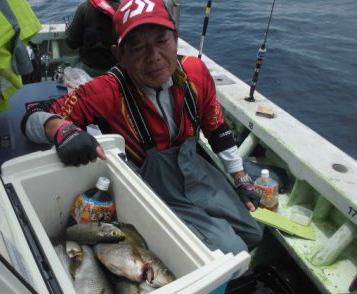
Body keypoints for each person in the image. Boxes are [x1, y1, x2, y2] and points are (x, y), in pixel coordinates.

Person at [22, 0, 263, 255]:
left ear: (175, 38)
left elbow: (217, 128)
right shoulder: (105, 91)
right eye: (137, 46)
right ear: (119, 55)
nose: (154, 57)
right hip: (157, 190)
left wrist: (241, 179)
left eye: (162, 41)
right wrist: (60, 129)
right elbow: (33, 116)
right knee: (232, 250)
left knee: (254, 234)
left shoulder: (196, 72)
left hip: (197, 172)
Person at [66, 0, 121, 77]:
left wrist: (68, 30)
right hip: (115, 71)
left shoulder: (84, 8)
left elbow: (72, 43)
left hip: (87, 67)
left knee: (73, 64)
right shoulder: (123, 10)